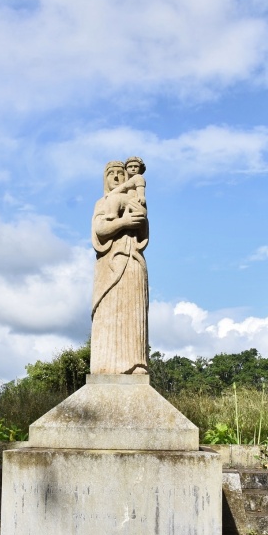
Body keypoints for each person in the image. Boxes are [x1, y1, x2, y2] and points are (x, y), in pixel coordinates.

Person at [90, 159, 149, 375]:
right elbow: (100, 230)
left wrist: (140, 221)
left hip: (133, 261)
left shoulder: (137, 201)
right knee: (108, 312)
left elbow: (143, 234)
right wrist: (123, 224)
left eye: (120, 174)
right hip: (109, 265)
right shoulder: (101, 203)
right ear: (105, 178)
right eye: (111, 174)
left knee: (133, 312)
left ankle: (135, 365)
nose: (116, 177)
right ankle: (103, 365)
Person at [103, 155, 147, 219]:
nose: (133, 169)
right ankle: (110, 213)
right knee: (112, 198)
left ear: (140, 168)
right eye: (130, 167)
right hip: (128, 199)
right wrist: (110, 194)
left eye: (136, 166)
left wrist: (141, 196)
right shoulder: (130, 180)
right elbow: (122, 187)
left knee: (115, 198)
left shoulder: (138, 177)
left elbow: (140, 187)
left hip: (133, 200)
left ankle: (114, 214)